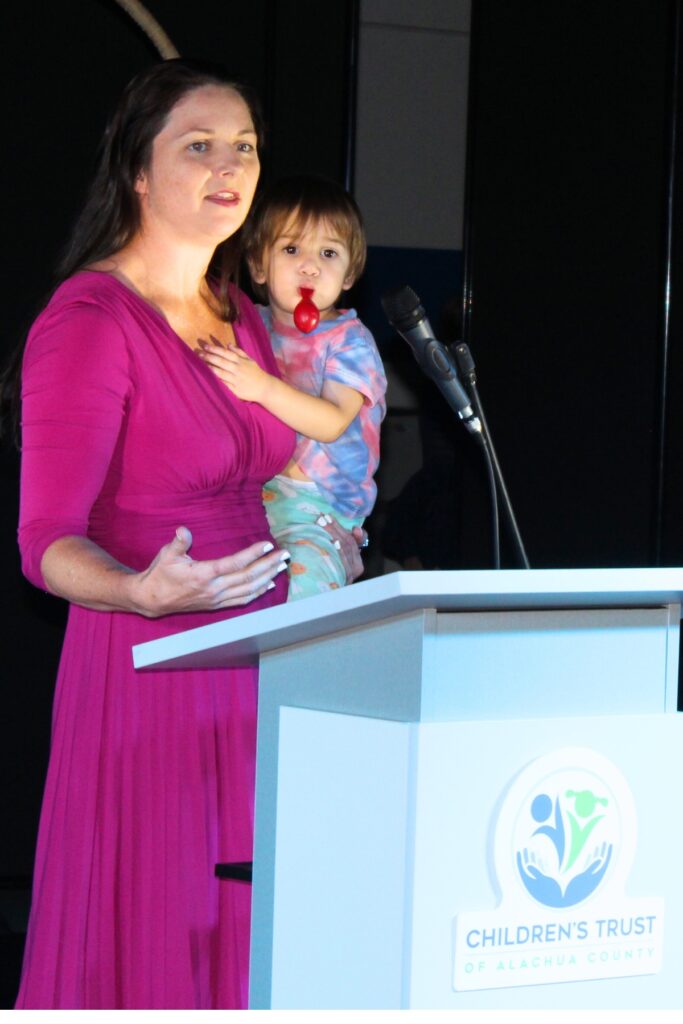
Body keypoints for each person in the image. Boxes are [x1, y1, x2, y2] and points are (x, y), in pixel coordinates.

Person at [9, 59, 363, 1009]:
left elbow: (288, 471)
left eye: (242, 147)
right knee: (158, 938)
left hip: (262, 667)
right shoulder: (88, 320)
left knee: (251, 944)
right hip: (153, 667)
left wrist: (330, 539)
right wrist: (138, 589)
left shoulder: (242, 315)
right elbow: (44, 539)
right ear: (137, 172)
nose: (228, 166)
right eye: (197, 146)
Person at [198, 175, 386, 599]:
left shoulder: (349, 340)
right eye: (290, 249)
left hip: (316, 513)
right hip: (248, 501)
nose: (310, 266)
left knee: (300, 604)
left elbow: (333, 421)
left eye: (328, 253)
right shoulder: (249, 324)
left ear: (350, 271)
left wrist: (262, 387)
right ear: (259, 265)